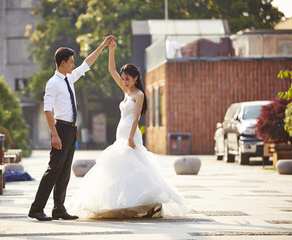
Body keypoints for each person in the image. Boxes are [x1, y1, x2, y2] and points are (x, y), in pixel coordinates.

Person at [67, 40, 191, 219]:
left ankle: (147, 203)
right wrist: (111, 50)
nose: (124, 82)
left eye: (128, 79)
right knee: (120, 169)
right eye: (123, 79)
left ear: (135, 79)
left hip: (131, 134)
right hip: (120, 133)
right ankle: (121, 204)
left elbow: (136, 118)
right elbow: (111, 70)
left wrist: (131, 138)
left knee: (135, 167)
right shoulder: (125, 91)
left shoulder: (139, 94)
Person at [28, 35, 116, 221]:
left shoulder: (69, 79)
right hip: (60, 129)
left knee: (65, 172)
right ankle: (36, 209)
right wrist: (54, 135)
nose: (73, 65)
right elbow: (47, 110)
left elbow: (87, 63)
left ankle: (59, 209)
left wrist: (103, 44)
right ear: (62, 63)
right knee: (53, 170)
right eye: (70, 62)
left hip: (71, 130)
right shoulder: (53, 83)